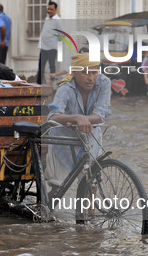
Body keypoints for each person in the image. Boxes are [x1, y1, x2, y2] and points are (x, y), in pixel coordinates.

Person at [45, 53, 111, 190]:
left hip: (91, 138)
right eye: (85, 73)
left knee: (92, 186)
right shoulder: (65, 88)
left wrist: (83, 119)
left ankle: (89, 212)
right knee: (58, 188)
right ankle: (46, 210)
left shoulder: (104, 83)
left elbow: (101, 113)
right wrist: (75, 117)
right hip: (64, 141)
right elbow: (53, 116)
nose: (91, 78)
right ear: (74, 73)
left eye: (94, 72)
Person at [36, 1, 63, 84]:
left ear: (55, 10)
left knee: (52, 66)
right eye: (48, 9)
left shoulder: (58, 20)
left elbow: (62, 34)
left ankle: (52, 84)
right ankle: (38, 84)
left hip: (52, 47)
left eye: (51, 9)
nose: (49, 11)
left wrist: (53, 40)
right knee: (41, 66)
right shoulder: (47, 18)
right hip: (43, 47)